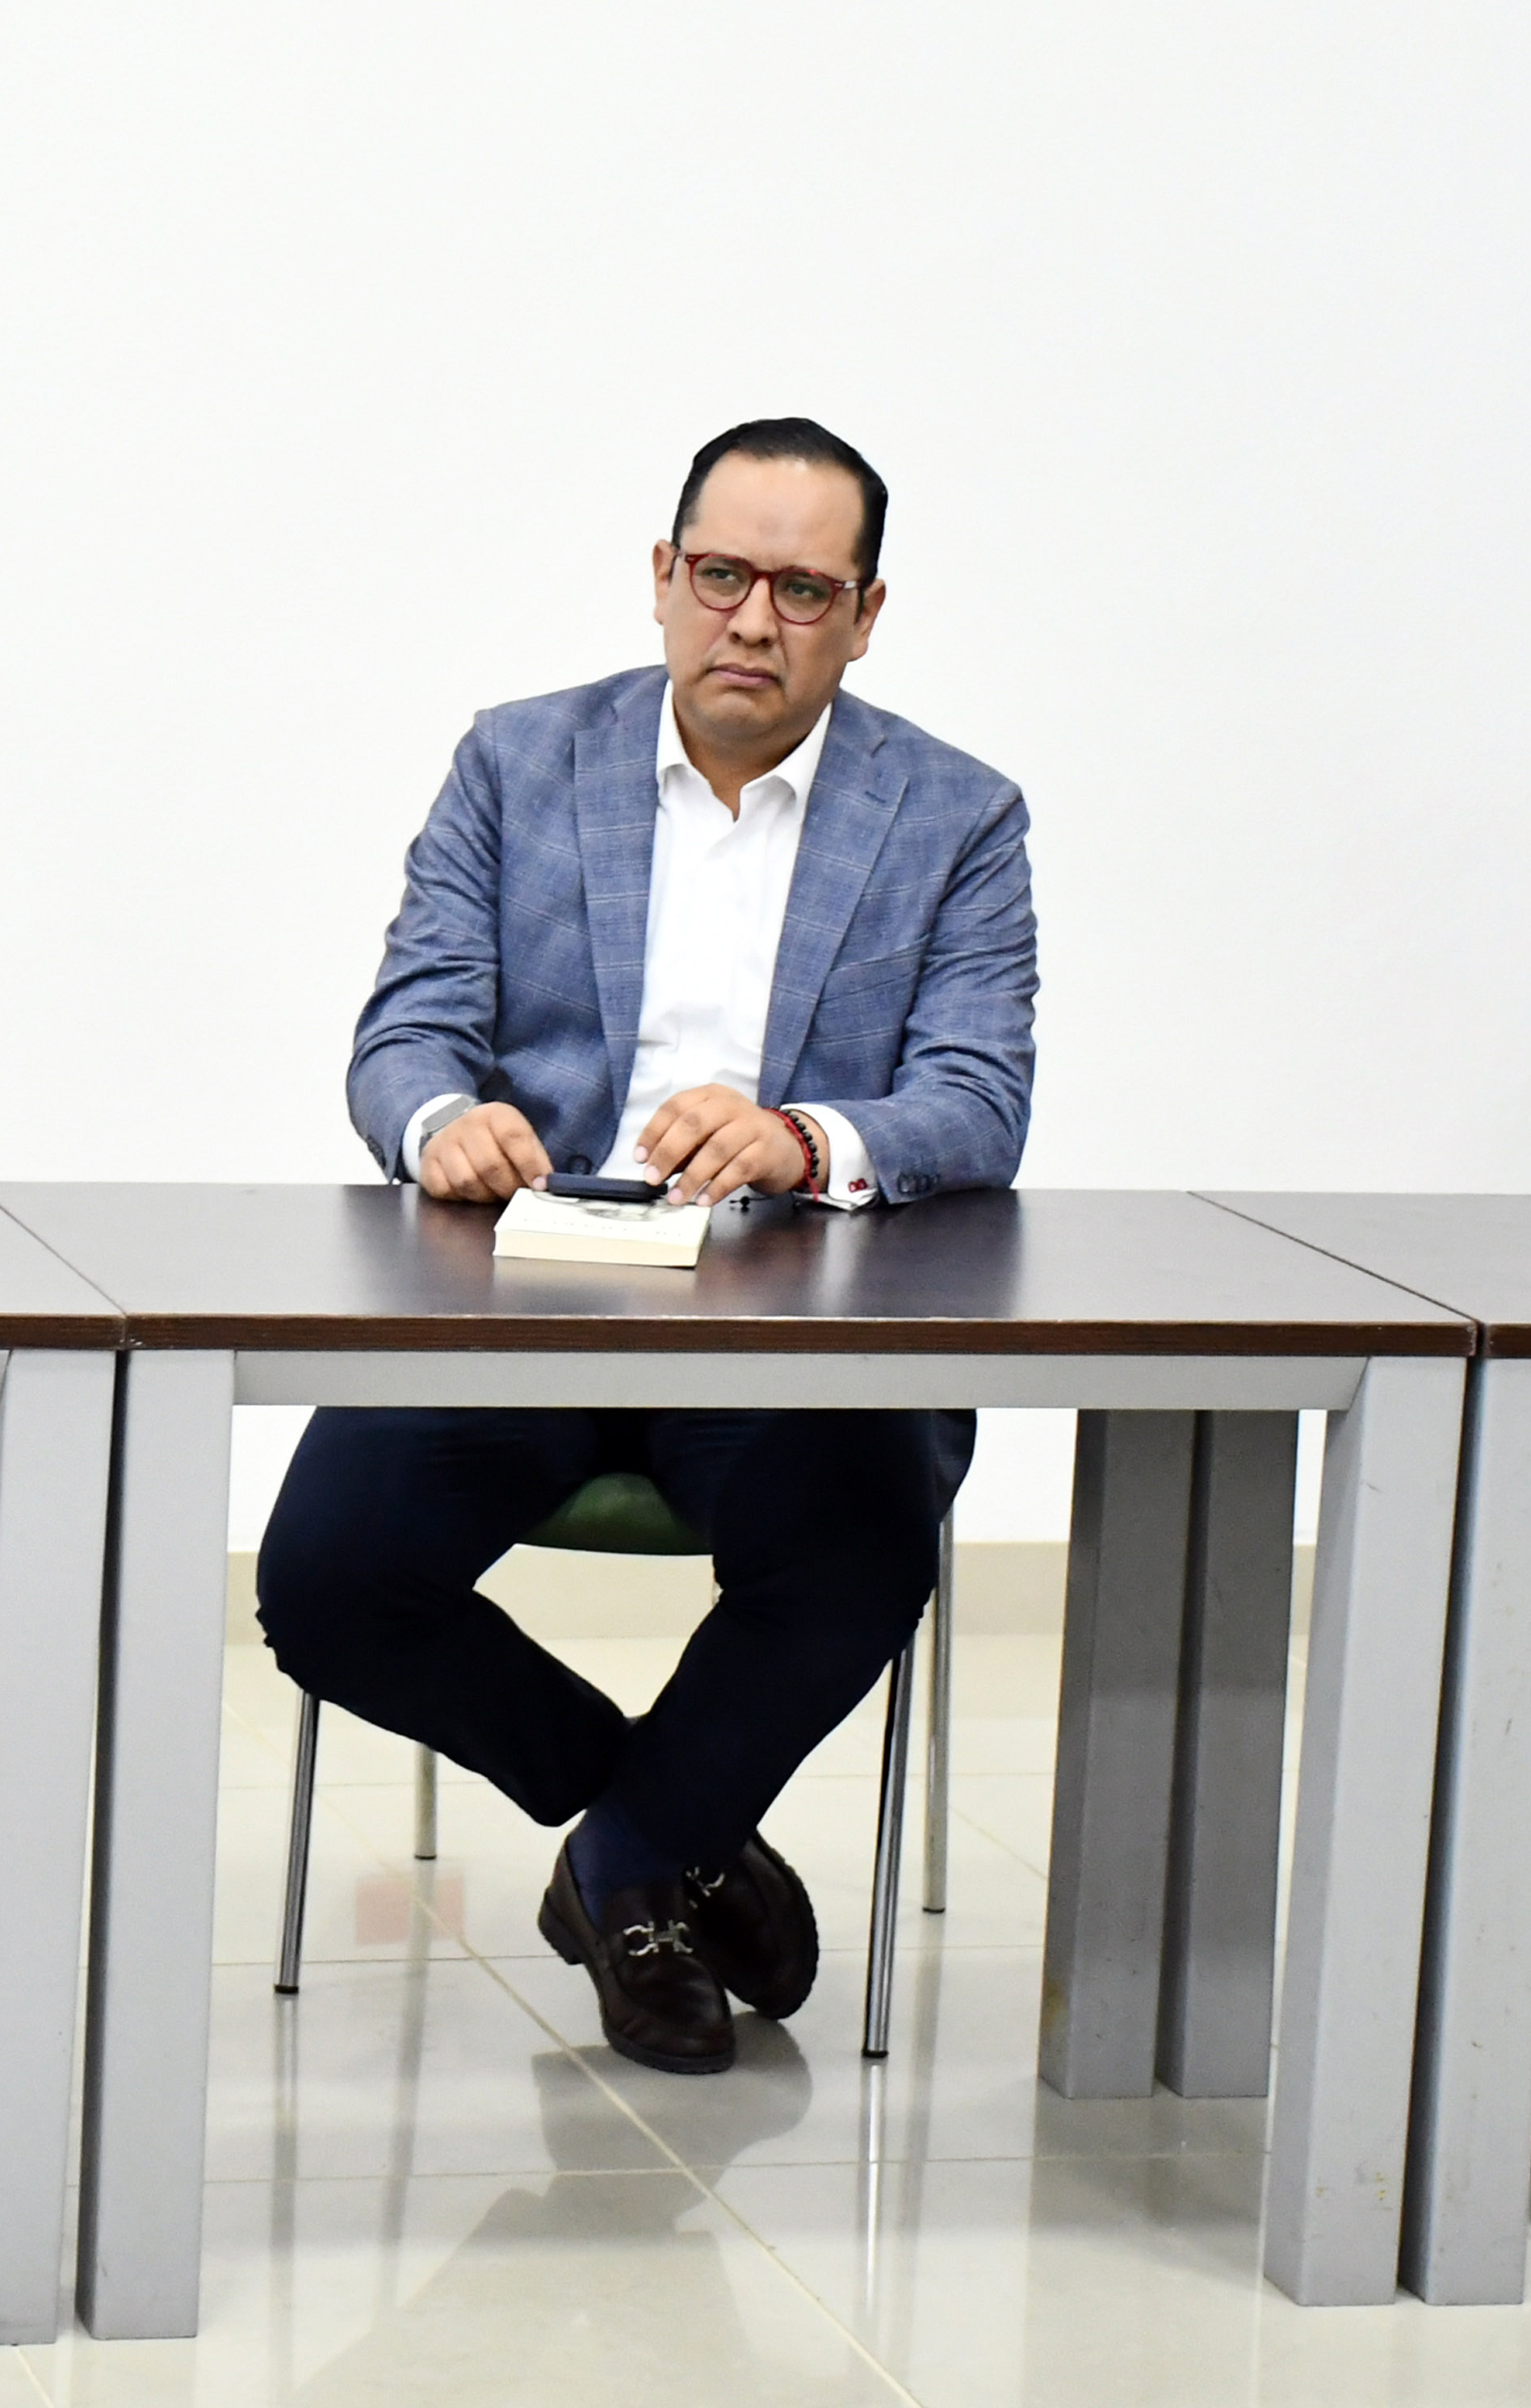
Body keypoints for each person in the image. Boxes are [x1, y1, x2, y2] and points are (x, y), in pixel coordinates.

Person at [256, 417, 1038, 2075]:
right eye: (723, 575)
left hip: (785, 1307)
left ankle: (618, 1872)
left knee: (862, 1537)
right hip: (525, 1289)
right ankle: (665, 1828)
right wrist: (436, 1122)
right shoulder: (517, 760)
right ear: (664, 576)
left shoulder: (956, 814)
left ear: (865, 615)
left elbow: (977, 1100)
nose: (754, 619)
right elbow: (406, 1030)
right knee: (326, 1582)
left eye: (802, 591)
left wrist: (806, 1138)